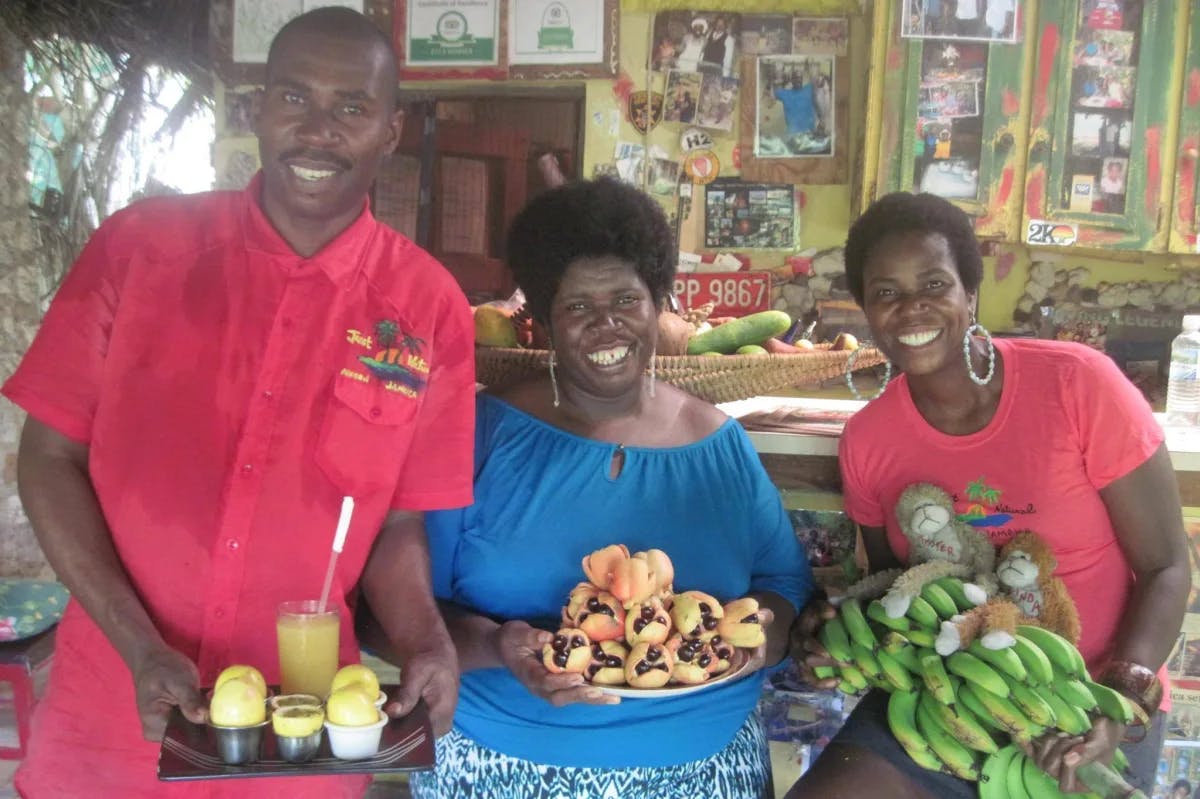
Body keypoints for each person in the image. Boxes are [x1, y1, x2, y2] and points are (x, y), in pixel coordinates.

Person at [3, 8, 475, 797]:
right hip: (112, 705)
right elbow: (49, 456)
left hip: (306, 731)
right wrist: (136, 642)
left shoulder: (427, 308)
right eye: (294, 98)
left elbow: (396, 518)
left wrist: (426, 638)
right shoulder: (138, 250)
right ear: (257, 107)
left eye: (351, 107)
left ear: (391, 132)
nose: (318, 130)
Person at [403, 177, 812, 799]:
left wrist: (752, 633)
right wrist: (500, 646)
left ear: (659, 305)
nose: (607, 326)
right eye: (577, 307)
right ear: (541, 321)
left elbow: (783, 586)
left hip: (703, 765)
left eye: (626, 300)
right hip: (502, 763)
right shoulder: (478, 438)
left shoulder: (720, 443)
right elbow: (402, 611)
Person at [786, 192, 1190, 799]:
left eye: (933, 284)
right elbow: (902, 586)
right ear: (867, 310)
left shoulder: (1078, 384)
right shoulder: (869, 439)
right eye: (886, 292)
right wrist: (837, 633)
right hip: (944, 691)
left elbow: (1166, 566)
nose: (911, 308)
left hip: (1086, 704)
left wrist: (1121, 699)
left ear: (970, 293)